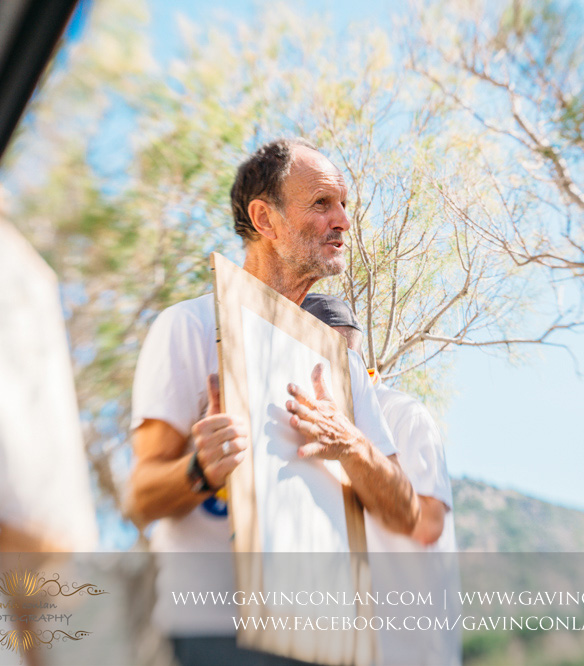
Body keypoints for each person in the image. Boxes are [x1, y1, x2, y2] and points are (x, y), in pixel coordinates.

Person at [125, 138, 420, 666]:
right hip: (218, 638)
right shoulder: (188, 328)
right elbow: (142, 498)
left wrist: (351, 444)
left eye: (345, 206)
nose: (344, 221)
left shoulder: (345, 366)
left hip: (329, 641)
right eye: (323, 203)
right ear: (265, 218)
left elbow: (404, 511)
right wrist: (198, 470)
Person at [301, 293, 462, 666]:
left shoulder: (404, 415)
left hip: (410, 650)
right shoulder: (307, 422)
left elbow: (428, 523)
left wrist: (357, 454)